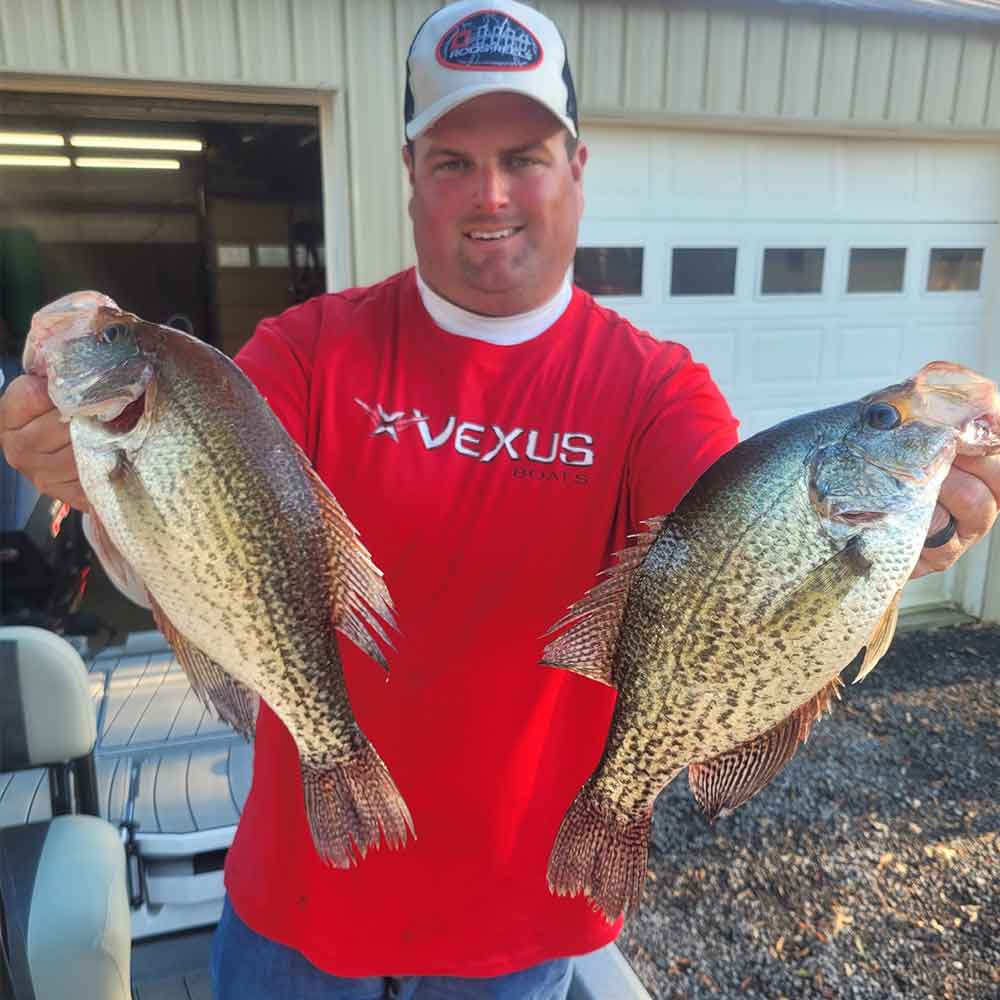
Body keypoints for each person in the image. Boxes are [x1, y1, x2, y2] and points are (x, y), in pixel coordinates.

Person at [1, 2, 998, 997]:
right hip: (300, 897)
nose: (490, 194)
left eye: (523, 154)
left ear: (576, 167)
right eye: (450, 160)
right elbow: (180, 551)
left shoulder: (655, 386)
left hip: (520, 925)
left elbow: (742, 556)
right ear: (408, 175)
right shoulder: (303, 350)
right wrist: (85, 476)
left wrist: (920, 527)